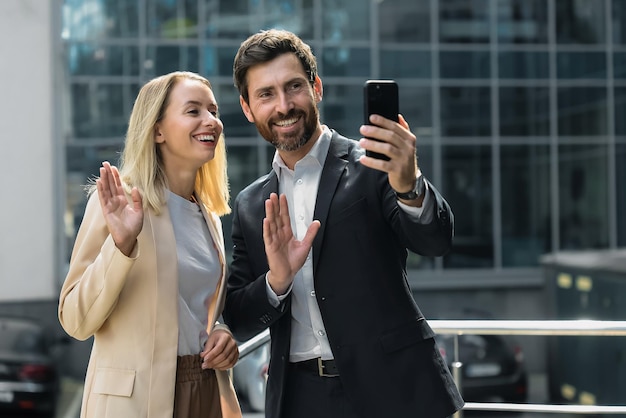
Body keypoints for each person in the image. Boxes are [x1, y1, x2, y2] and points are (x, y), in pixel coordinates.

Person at [222, 29, 464, 418]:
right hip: (301, 399)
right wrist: (276, 282)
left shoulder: (374, 165)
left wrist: (409, 185)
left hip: (393, 391)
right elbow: (239, 316)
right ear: (248, 108)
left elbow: (435, 241)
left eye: (294, 87)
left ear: (317, 88)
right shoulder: (251, 204)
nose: (283, 105)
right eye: (266, 94)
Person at [58, 71, 242, 418]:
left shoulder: (209, 218)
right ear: (157, 130)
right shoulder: (118, 202)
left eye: (213, 111)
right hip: (136, 401)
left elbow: (194, 313)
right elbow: (74, 319)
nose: (211, 121)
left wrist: (221, 333)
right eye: (193, 111)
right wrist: (121, 246)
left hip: (205, 387)